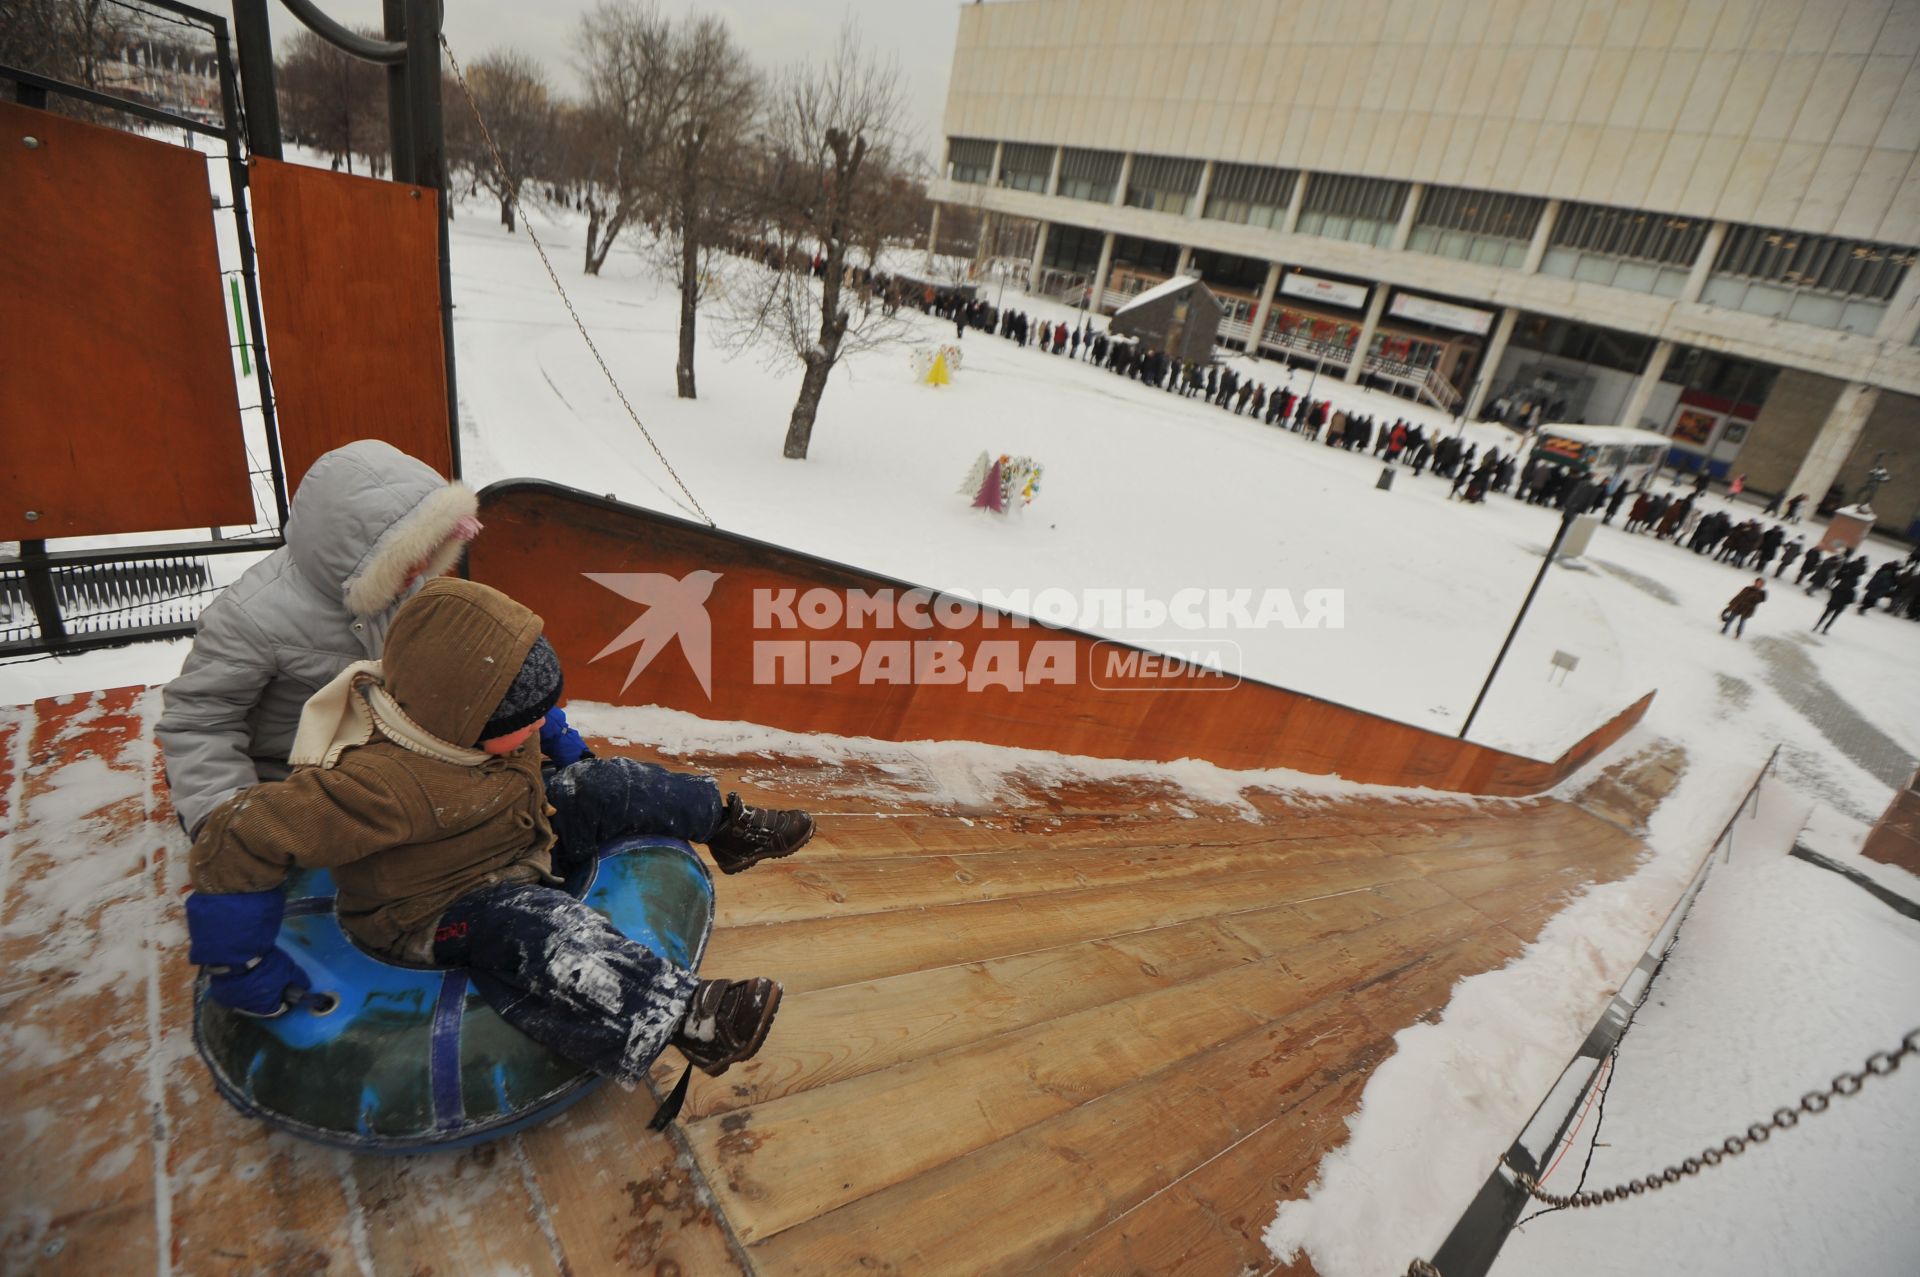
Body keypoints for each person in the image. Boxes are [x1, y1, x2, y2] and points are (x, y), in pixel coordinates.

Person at [184, 578, 800, 1080]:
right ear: (464, 721)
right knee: (536, 925)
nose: (539, 726)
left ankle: (729, 825)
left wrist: (565, 746)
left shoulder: (467, 719)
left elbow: (538, 717)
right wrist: (240, 966)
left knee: (605, 785)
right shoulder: (380, 786)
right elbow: (240, 833)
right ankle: (686, 1019)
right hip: (437, 905)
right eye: (526, 720)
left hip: (513, 827)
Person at [158, 440, 491, 837]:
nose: (421, 565)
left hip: (380, 765)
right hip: (288, 777)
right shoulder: (250, 617)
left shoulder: (410, 589)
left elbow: (453, 667)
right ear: (358, 553)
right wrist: (227, 824)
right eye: (404, 553)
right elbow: (201, 723)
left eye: (427, 546)